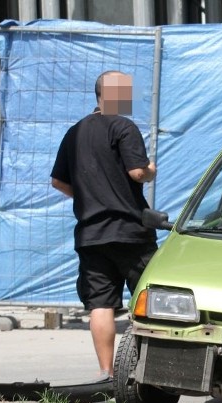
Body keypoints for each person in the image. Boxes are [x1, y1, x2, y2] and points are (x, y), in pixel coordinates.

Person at [50, 70, 158, 381]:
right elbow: (137, 172)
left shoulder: (75, 132)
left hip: (91, 233)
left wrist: (87, 195)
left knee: (100, 304)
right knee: (149, 298)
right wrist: (150, 169)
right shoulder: (123, 125)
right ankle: (147, 369)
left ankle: (106, 373)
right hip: (130, 230)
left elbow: (58, 180)